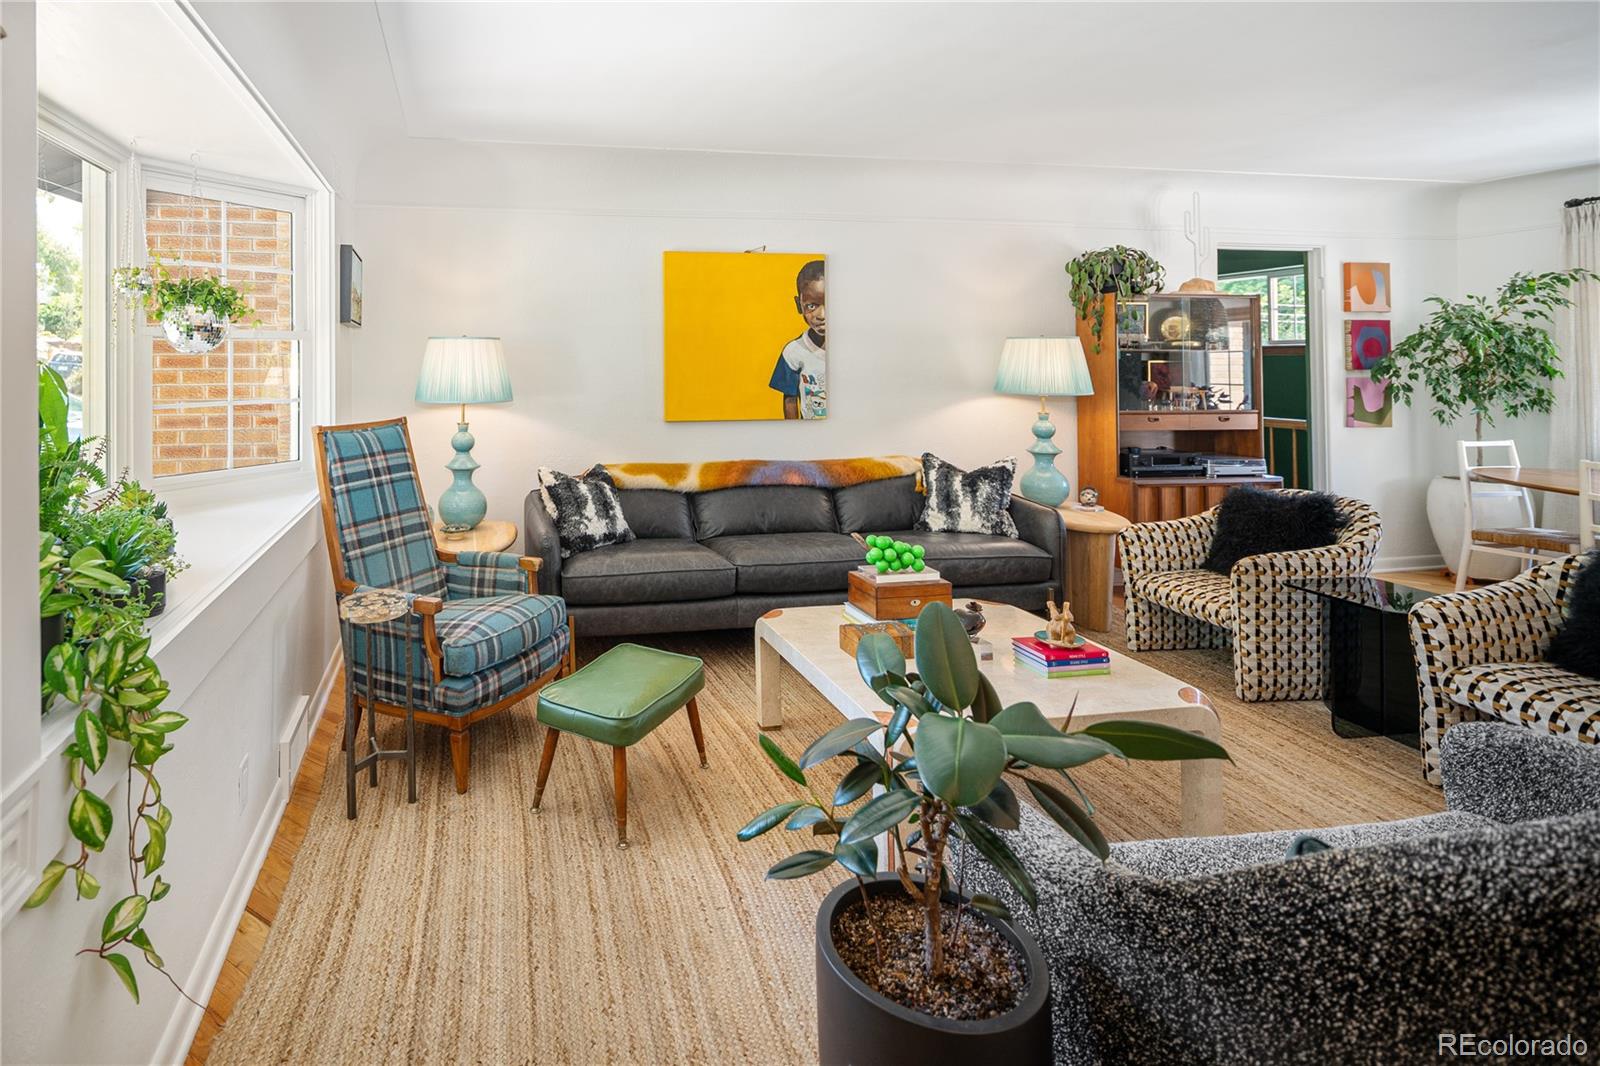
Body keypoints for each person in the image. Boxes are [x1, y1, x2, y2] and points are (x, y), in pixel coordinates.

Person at [768, 259, 826, 419]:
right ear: (799, 304)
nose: (821, 316)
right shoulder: (793, 353)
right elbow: (790, 401)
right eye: (812, 306)